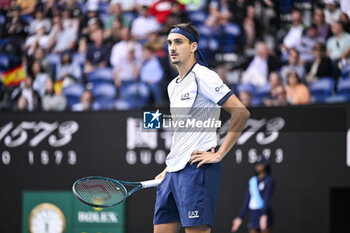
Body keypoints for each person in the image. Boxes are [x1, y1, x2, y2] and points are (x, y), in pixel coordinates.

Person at [153, 23, 250, 233]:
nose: (172, 47)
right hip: (173, 171)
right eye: (169, 42)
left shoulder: (204, 76)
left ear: (193, 46)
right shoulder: (172, 85)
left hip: (195, 170)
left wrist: (219, 154)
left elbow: (241, 112)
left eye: (178, 42)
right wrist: (170, 166)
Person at [231, 156, 275, 233]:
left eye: (260, 164)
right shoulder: (253, 181)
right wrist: (240, 217)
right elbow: (247, 199)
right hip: (253, 214)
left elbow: (266, 198)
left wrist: (264, 215)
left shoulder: (269, 180)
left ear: (265, 165)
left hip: (264, 211)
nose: (258, 166)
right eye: (256, 164)